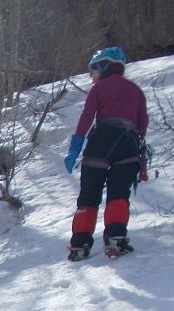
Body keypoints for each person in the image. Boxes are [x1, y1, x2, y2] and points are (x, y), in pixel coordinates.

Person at [64, 46, 149, 261]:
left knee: (88, 196)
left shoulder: (99, 89)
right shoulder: (136, 91)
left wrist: (75, 149)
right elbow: (142, 124)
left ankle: (79, 245)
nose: (92, 77)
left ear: (103, 66)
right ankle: (115, 239)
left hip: (100, 143)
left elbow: (86, 118)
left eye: (93, 71)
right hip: (128, 145)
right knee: (118, 194)